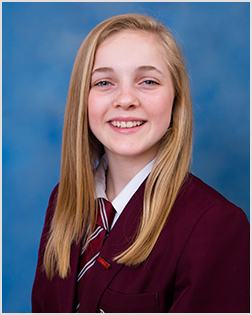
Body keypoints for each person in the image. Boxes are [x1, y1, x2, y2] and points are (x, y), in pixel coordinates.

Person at [31, 13, 249, 313]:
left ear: (176, 100)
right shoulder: (64, 200)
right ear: (84, 98)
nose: (125, 99)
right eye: (104, 81)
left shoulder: (217, 225)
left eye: (148, 81)